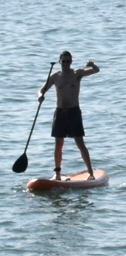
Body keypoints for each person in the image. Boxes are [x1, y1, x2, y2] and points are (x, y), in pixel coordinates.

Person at [37, 51, 99, 181]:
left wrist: (92, 65)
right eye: (63, 61)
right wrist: (40, 96)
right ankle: (58, 174)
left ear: (71, 62)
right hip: (59, 113)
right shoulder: (55, 76)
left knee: (80, 142)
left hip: (73, 112)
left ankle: (91, 173)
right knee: (58, 143)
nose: (65, 63)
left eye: (68, 61)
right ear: (59, 62)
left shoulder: (77, 73)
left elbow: (96, 71)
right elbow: (42, 89)